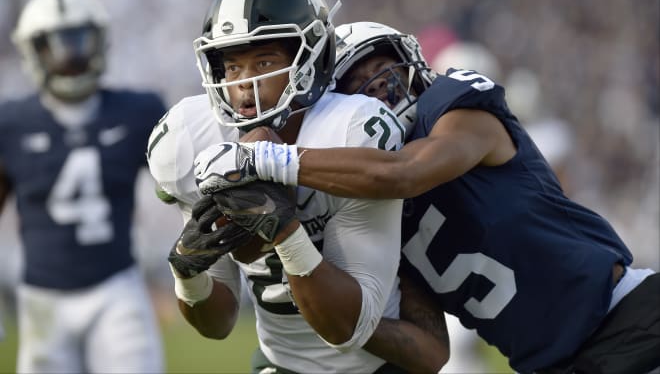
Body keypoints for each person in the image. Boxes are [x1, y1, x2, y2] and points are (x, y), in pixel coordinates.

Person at [196, 21, 660, 374]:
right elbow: (429, 348)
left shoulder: (456, 107)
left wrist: (266, 160)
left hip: (627, 317)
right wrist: (331, 316)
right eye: (357, 82)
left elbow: (405, 172)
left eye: (383, 67)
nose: (377, 85)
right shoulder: (364, 208)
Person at [147, 0, 449, 373]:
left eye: (264, 62)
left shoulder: (349, 130)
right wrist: (188, 275)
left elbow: (350, 327)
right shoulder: (191, 138)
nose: (244, 85)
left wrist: (285, 232)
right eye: (232, 67)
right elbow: (216, 324)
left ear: (310, 60)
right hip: (279, 364)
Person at [0, 0, 165, 373]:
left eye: (78, 41)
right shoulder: (11, 123)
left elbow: (186, 190)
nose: (69, 56)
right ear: (31, 52)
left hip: (116, 288)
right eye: (54, 45)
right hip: (42, 298)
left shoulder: (139, 111)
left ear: (100, 41)